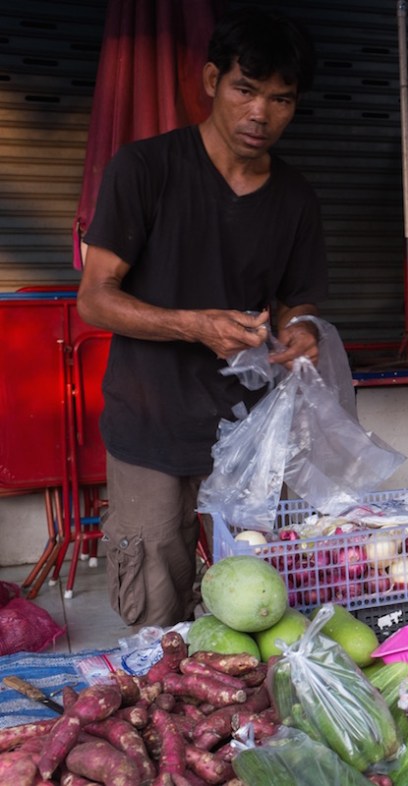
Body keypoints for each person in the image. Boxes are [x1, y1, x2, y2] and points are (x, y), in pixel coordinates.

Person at [76, 8, 328, 628]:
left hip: (251, 434)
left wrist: (305, 330)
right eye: (245, 89)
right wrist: (194, 325)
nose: (259, 114)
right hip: (152, 421)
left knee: (257, 603)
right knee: (157, 613)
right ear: (212, 79)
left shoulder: (296, 198)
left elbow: (300, 300)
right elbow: (96, 298)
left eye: (281, 100)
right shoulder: (145, 169)